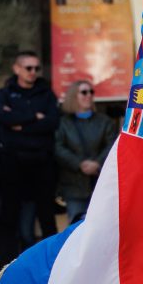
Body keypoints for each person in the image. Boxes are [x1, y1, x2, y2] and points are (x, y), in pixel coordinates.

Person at [0, 51, 60, 265]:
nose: (33, 72)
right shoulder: (5, 93)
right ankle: (5, 269)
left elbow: (51, 123)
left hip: (42, 162)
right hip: (13, 162)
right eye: (28, 68)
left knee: (46, 217)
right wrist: (34, 117)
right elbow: (3, 118)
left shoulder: (46, 94)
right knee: (9, 218)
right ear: (17, 69)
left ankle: (53, 266)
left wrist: (20, 125)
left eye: (36, 68)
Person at [53, 80, 117, 224]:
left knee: (102, 227)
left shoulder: (105, 121)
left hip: (101, 184)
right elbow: (58, 147)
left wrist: (97, 164)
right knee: (76, 229)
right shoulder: (63, 123)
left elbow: (112, 145)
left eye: (91, 92)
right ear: (73, 96)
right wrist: (79, 164)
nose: (88, 95)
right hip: (73, 186)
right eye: (84, 92)